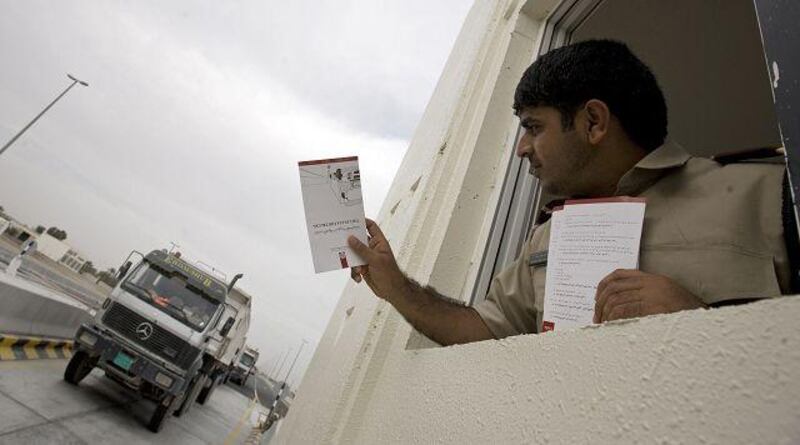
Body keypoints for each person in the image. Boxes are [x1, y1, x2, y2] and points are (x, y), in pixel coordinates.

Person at [347, 39, 791, 346]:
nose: (522, 149)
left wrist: (703, 326)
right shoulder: (545, 238)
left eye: (533, 127)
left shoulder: (769, 195)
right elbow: (485, 330)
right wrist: (396, 286)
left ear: (593, 122)